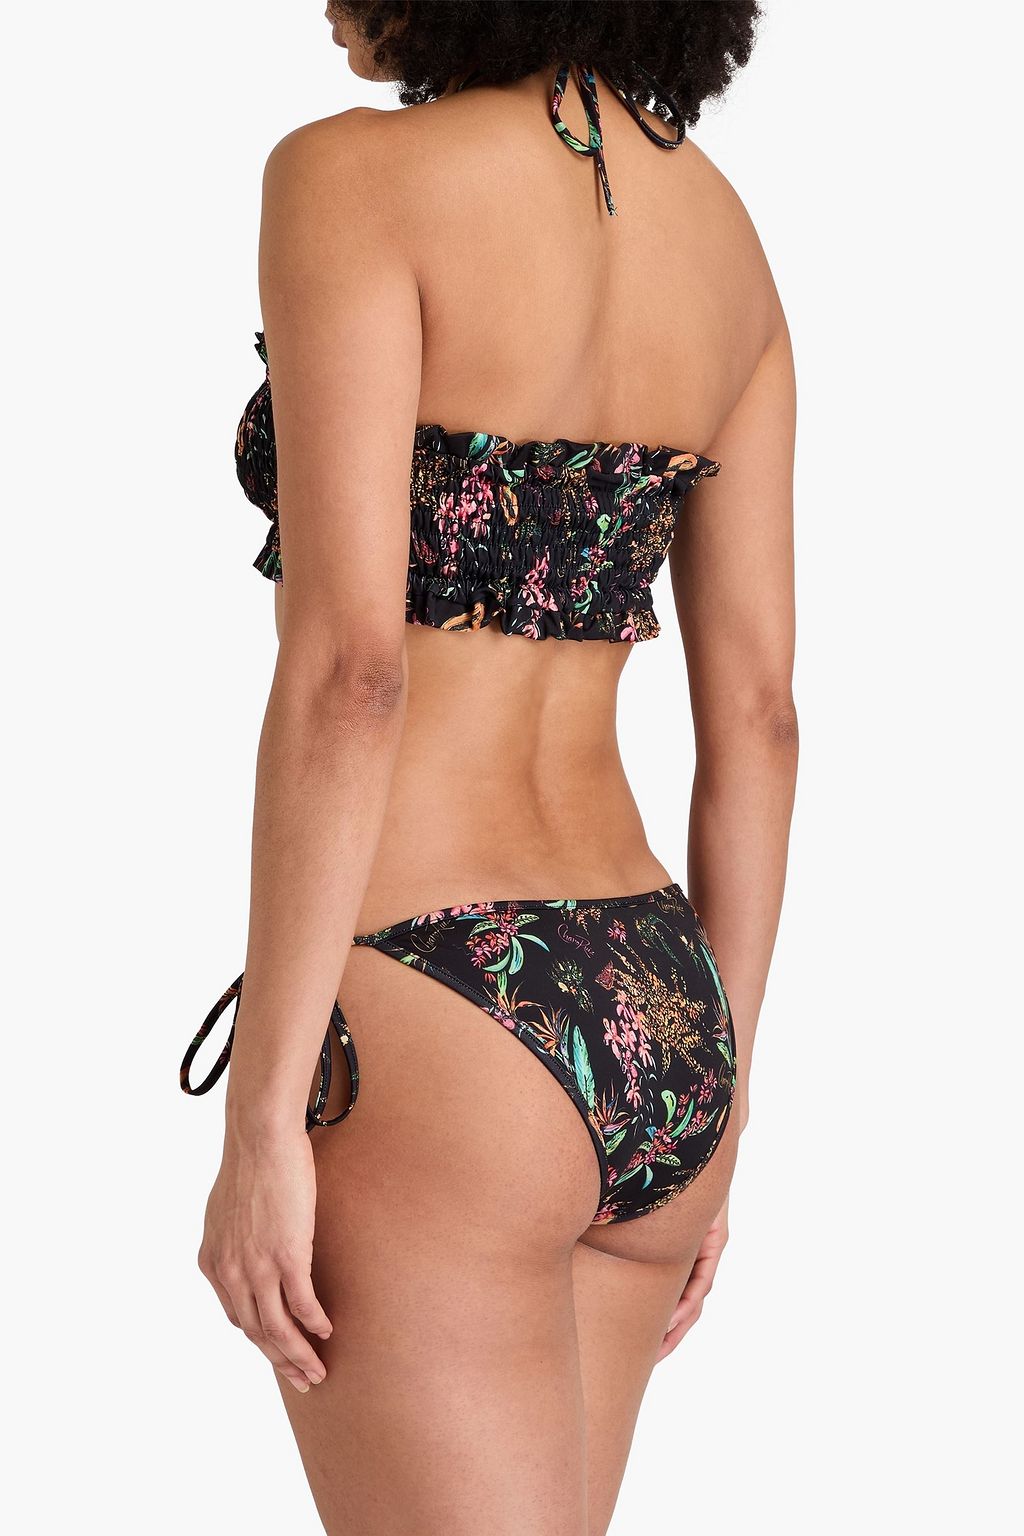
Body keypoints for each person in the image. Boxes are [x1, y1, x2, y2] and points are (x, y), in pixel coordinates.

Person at [181, 3, 797, 1531]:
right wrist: (718, 1105)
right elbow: (761, 715)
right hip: (663, 994)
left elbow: (352, 673)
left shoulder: (351, 179)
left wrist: (264, 1114)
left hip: (439, 1012)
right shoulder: (725, 237)